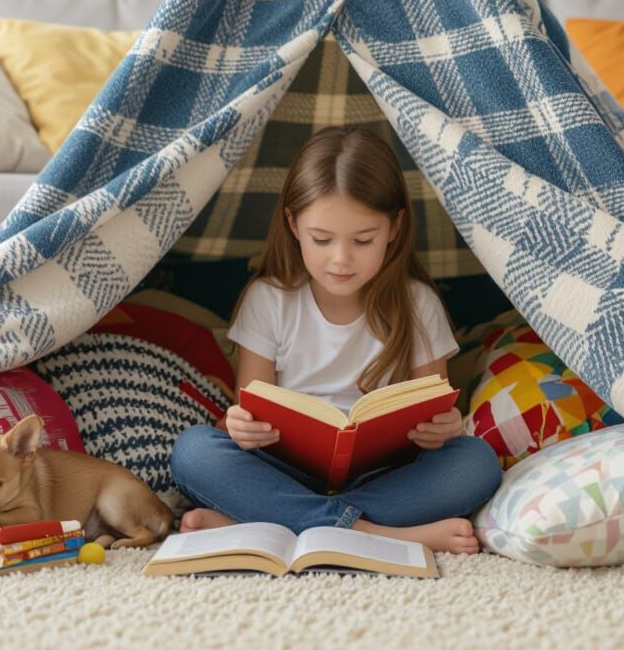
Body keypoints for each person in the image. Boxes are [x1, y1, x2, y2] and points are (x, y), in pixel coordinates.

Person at [170, 127, 502, 554]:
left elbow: (437, 412)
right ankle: (375, 534)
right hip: (284, 471)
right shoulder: (269, 299)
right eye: (321, 240)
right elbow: (250, 407)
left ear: (395, 228)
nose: (341, 259)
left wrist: (445, 429)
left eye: (363, 240)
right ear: (293, 224)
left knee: (476, 463)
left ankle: (269, 521)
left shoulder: (418, 305)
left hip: (386, 475)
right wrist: (241, 427)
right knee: (194, 451)